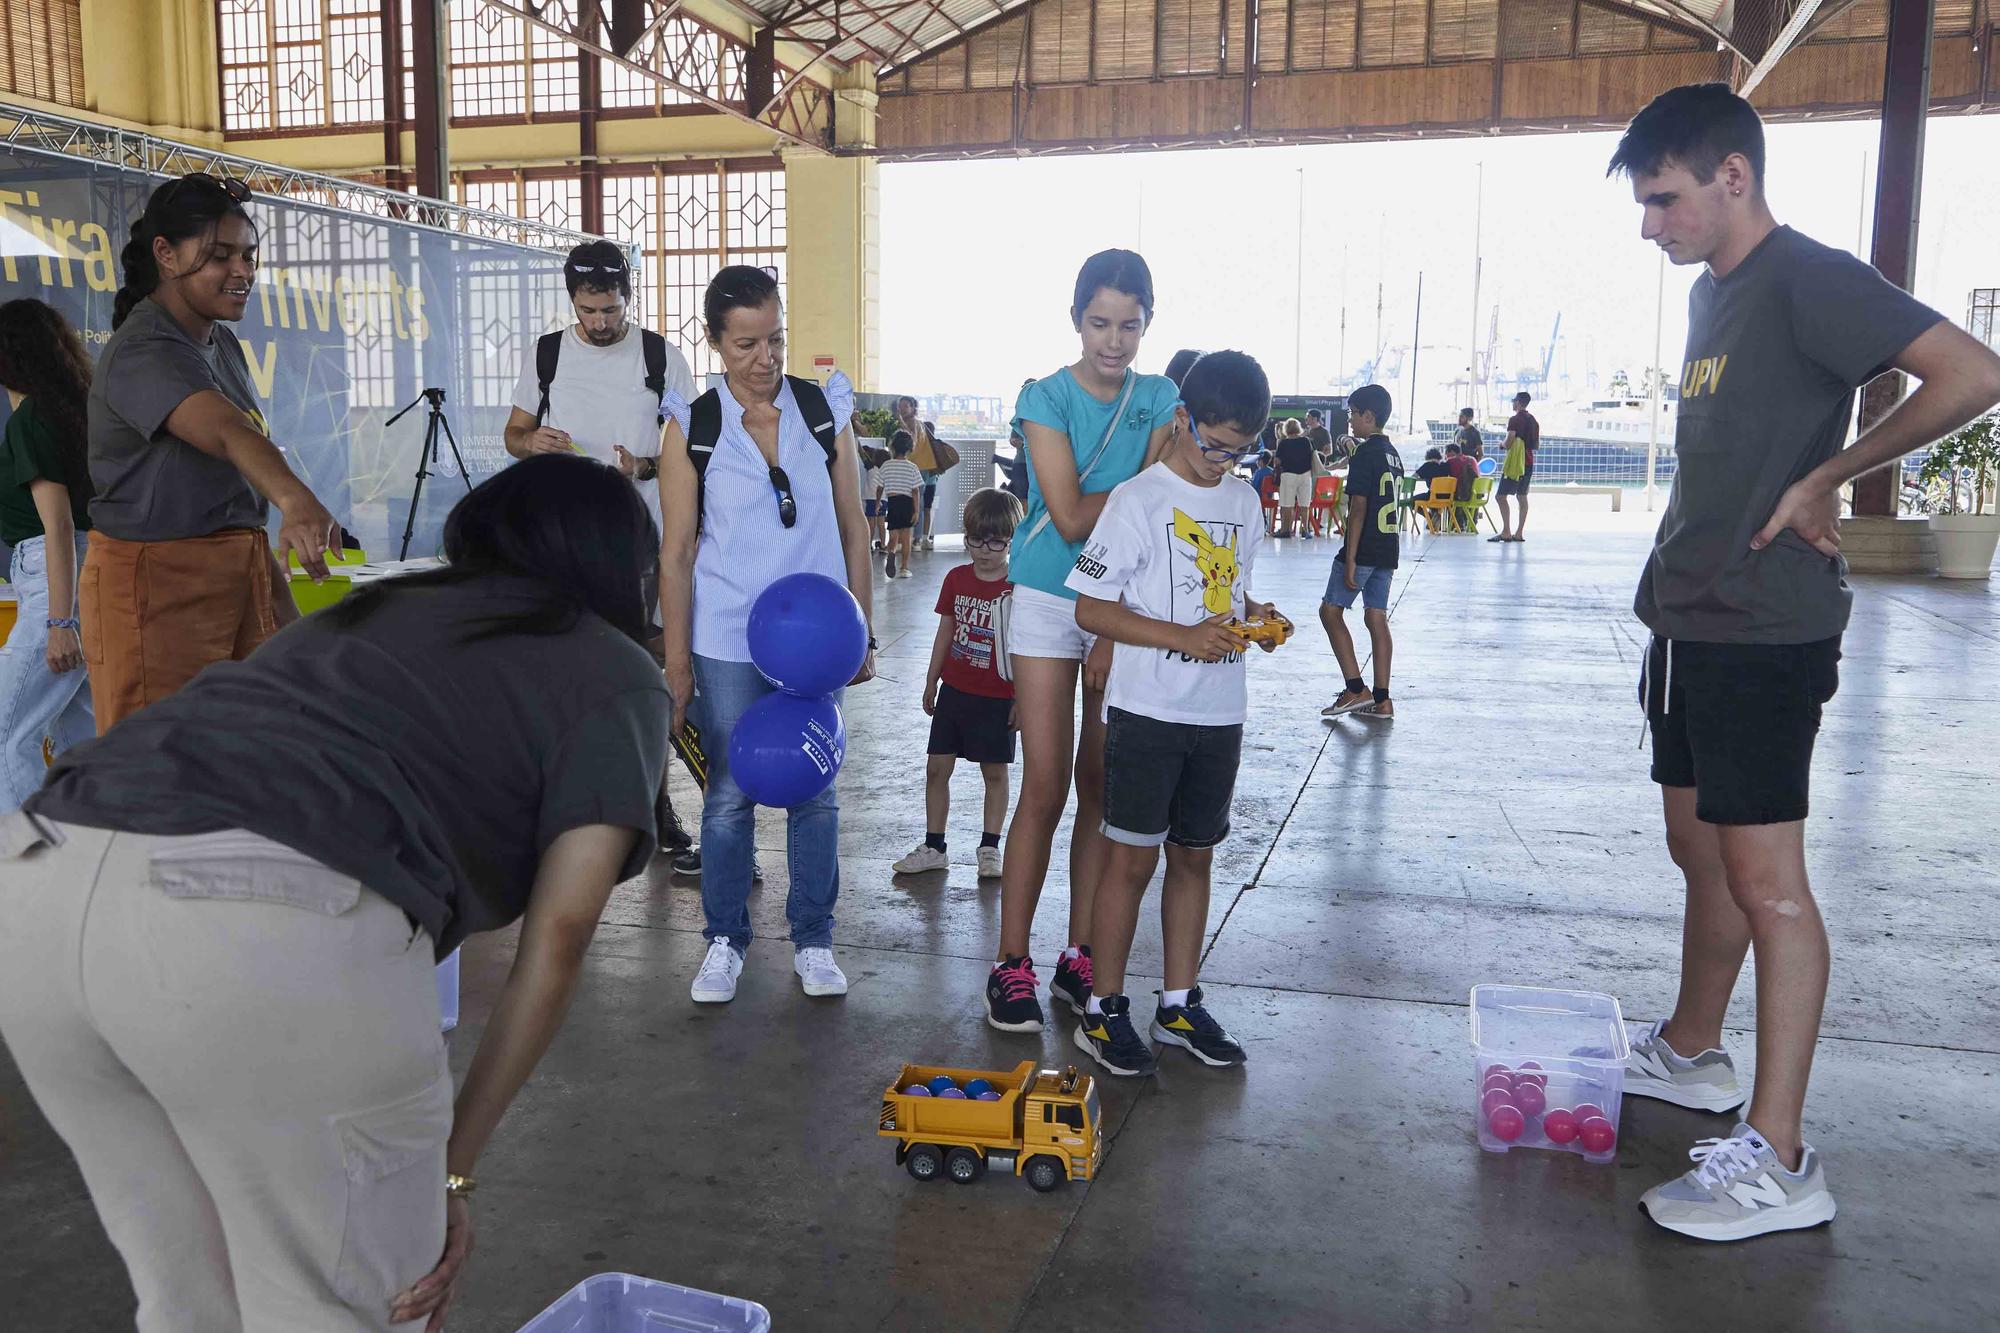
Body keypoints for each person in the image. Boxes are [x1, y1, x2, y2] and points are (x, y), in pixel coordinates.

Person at [0, 454, 670, 1332]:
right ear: (629, 569)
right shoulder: (614, 667)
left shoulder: (374, 608)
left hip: (40, 884)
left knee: (192, 1306)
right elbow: (563, 932)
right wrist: (448, 1173)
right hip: (259, 914)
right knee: (347, 1309)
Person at [1607, 82, 2000, 1241]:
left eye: (1663, 199)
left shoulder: (1805, 275)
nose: (1650, 227)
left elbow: (1971, 372)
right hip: (1686, 615)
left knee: (1766, 882)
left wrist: (1834, 475)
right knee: (1698, 849)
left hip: (1761, 628)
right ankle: (1689, 1050)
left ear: (1732, 176)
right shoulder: (1714, 297)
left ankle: (1778, 1157)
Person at [656, 264, 878, 1006]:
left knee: (816, 790)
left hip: (815, 641)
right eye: (747, 343)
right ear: (716, 342)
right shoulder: (693, 427)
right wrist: (677, 661)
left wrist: (864, 631)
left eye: (775, 339)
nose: (765, 359)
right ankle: (725, 938)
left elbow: (854, 525)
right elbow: (678, 551)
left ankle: (815, 937)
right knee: (727, 795)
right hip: (726, 639)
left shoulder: (823, 412)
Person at [1067, 351, 1282, 1076]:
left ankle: (1179, 1002)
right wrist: (1182, 637)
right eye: (1213, 444)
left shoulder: (1245, 503)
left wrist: (1258, 615)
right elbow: (1091, 605)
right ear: (1183, 420)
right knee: (1129, 861)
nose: (1223, 461)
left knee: (1195, 855)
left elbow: (1234, 589)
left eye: (1240, 449)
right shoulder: (1139, 500)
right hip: (1149, 710)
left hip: (1221, 711)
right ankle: (1101, 1010)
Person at [988, 249, 1177, 1034]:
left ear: (1147, 325)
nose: (1114, 340)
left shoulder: (1161, 394)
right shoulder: (1046, 395)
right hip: (1043, 596)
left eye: (1129, 325)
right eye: (1100, 323)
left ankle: (1079, 956)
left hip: (1122, 605)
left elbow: (1165, 516)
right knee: (1046, 784)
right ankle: (1011, 963)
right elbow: (1065, 518)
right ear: (1076, 319)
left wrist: (1115, 623)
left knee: (1101, 788)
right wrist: (1139, 486)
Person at [84, 172, 342, 734]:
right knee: (163, 768)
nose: (243, 271)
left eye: (250, 255)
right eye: (221, 255)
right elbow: (227, 431)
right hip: (158, 586)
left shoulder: (217, 340)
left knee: (276, 739)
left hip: (239, 571)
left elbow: (235, 469)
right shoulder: (145, 349)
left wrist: (274, 590)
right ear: (166, 255)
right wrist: (297, 502)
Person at [502, 239, 702, 863]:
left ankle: (658, 808)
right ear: (573, 303)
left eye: (611, 309)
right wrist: (532, 440)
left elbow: (694, 448)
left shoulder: (660, 357)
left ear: (629, 297)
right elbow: (511, 435)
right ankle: (559, 807)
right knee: (563, 675)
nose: (600, 322)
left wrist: (646, 465)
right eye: (588, 311)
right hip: (564, 541)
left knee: (652, 677)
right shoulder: (547, 354)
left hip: (642, 547)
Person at [895, 487, 1022, 880]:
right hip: (955, 690)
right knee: (937, 768)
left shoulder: (1018, 585)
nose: (984, 549)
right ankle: (935, 845)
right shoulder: (956, 578)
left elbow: (1025, 643)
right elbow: (946, 629)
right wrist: (932, 678)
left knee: (995, 772)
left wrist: (1023, 695)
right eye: (975, 540)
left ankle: (990, 847)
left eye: (995, 541)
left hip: (999, 695)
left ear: (1010, 539)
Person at [0, 299, 96, 805]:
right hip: (78, 574)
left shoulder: (32, 419)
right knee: (83, 737)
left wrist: (61, 624)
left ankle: (29, 865)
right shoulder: (74, 411)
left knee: (4, 738)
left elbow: (57, 527)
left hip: (55, 583)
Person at [1319, 383, 1404, 720]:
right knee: (1375, 616)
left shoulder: (1365, 455)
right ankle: (1382, 699)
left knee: (1330, 612)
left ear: (1369, 416)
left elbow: (1358, 507)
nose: (1350, 421)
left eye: (1353, 414)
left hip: (1365, 546)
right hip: (1388, 548)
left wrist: (1350, 557)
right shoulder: (1392, 454)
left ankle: (1356, 689)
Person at [894, 395, 944, 551]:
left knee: (918, 503)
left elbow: (912, 443)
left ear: (913, 408)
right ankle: (913, 538)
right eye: (900, 406)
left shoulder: (914, 424)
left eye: (905, 406)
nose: (901, 409)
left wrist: (900, 422)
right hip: (916, 467)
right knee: (915, 503)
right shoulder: (915, 423)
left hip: (919, 468)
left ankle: (916, 539)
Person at [1494, 391, 1539, 542]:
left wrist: (1501, 444)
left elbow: (1508, 442)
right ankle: (1519, 533)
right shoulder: (1533, 421)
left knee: (1500, 496)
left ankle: (1506, 531)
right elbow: (1535, 444)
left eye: (1513, 401)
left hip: (1515, 464)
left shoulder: (1515, 419)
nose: (1513, 404)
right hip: (1528, 463)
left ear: (1518, 402)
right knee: (1522, 497)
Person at [878, 435, 924, 580]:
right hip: (907, 503)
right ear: (909, 449)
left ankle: (891, 552)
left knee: (893, 536)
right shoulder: (912, 467)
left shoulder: (886, 465)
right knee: (906, 538)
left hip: (893, 501)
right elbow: (915, 491)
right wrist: (916, 510)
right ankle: (904, 568)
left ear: (893, 447)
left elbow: (880, 487)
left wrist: (878, 501)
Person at [1274, 419, 1315, 537]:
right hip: (1305, 475)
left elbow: (1277, 461)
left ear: (1286, 429)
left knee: (1287, 504)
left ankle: (1285, 530)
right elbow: (1311, 455)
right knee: (1304, 504)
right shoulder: (1306, 441)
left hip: (1288, 475)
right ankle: (1305, 530)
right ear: (1298, 428)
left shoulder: (1283, 443)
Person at [1443, 441, 1478, 531]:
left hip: (1462, 494)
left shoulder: (1451, 461)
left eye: (1446, 453)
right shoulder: (1473, 459)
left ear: (1451, 452)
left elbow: (1444, 477)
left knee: (1448, 497)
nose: (1446, 455)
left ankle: (1456, 525)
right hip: (1476, 495)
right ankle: (1470, 522)